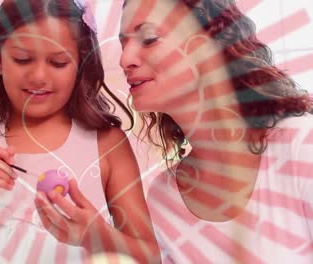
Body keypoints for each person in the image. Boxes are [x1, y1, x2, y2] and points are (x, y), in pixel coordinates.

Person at [0, 0, 159, 263]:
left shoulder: (107, 143)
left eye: (58, 63)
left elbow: (150, 257)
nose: (38, 76)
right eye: (23, 59)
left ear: (81, 64)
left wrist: (97, 235)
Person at [119, 0, 313, 263]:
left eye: (149, 39)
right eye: (123, 43)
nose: (125, 59)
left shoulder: (302, 146)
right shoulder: (163, 198)